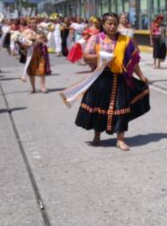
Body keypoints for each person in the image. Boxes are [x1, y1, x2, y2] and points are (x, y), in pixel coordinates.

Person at [63, 12, 150, 151]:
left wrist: (141, 75)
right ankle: (97, 134)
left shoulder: (125, 40)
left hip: (120, 78)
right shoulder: (95, 39)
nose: (112, 26)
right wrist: (100, 57)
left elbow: (132, 61)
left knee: (121, 108)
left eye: (115, 24)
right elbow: (85, 57)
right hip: (101, 78)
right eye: (109, 23)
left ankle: (120, 139)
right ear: (103, 24)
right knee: (99, 106)